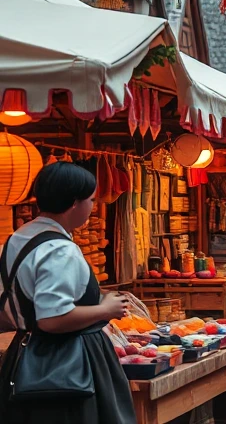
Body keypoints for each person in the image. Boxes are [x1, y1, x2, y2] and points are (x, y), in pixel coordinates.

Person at [0, 162, 135, 424]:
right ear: (75, 203)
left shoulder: (17, 238)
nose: (93, 207)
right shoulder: (59, 249)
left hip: (24, 356)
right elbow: (52, 319)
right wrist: (106, 309)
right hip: (66, 368)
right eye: (92, 200)